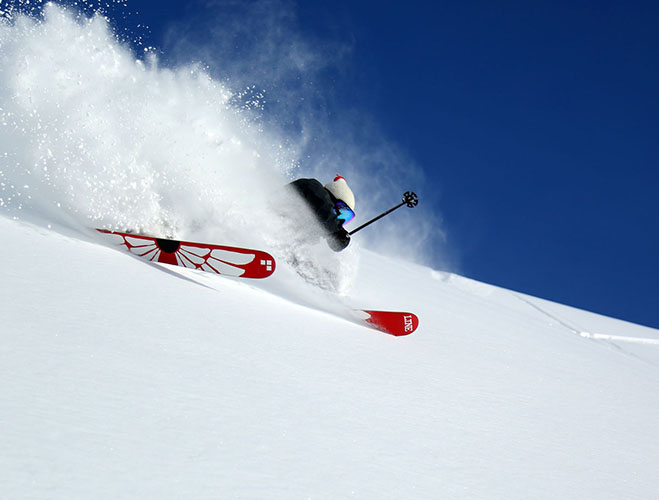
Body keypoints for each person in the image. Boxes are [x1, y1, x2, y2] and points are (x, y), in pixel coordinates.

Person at [288, 175, 356, 252]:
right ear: (331, 197)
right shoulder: (312, 187)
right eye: (342, 211)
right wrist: (335, 230)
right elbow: (321, 201)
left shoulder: (311, 228)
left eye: (347, 216)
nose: (340, 219)